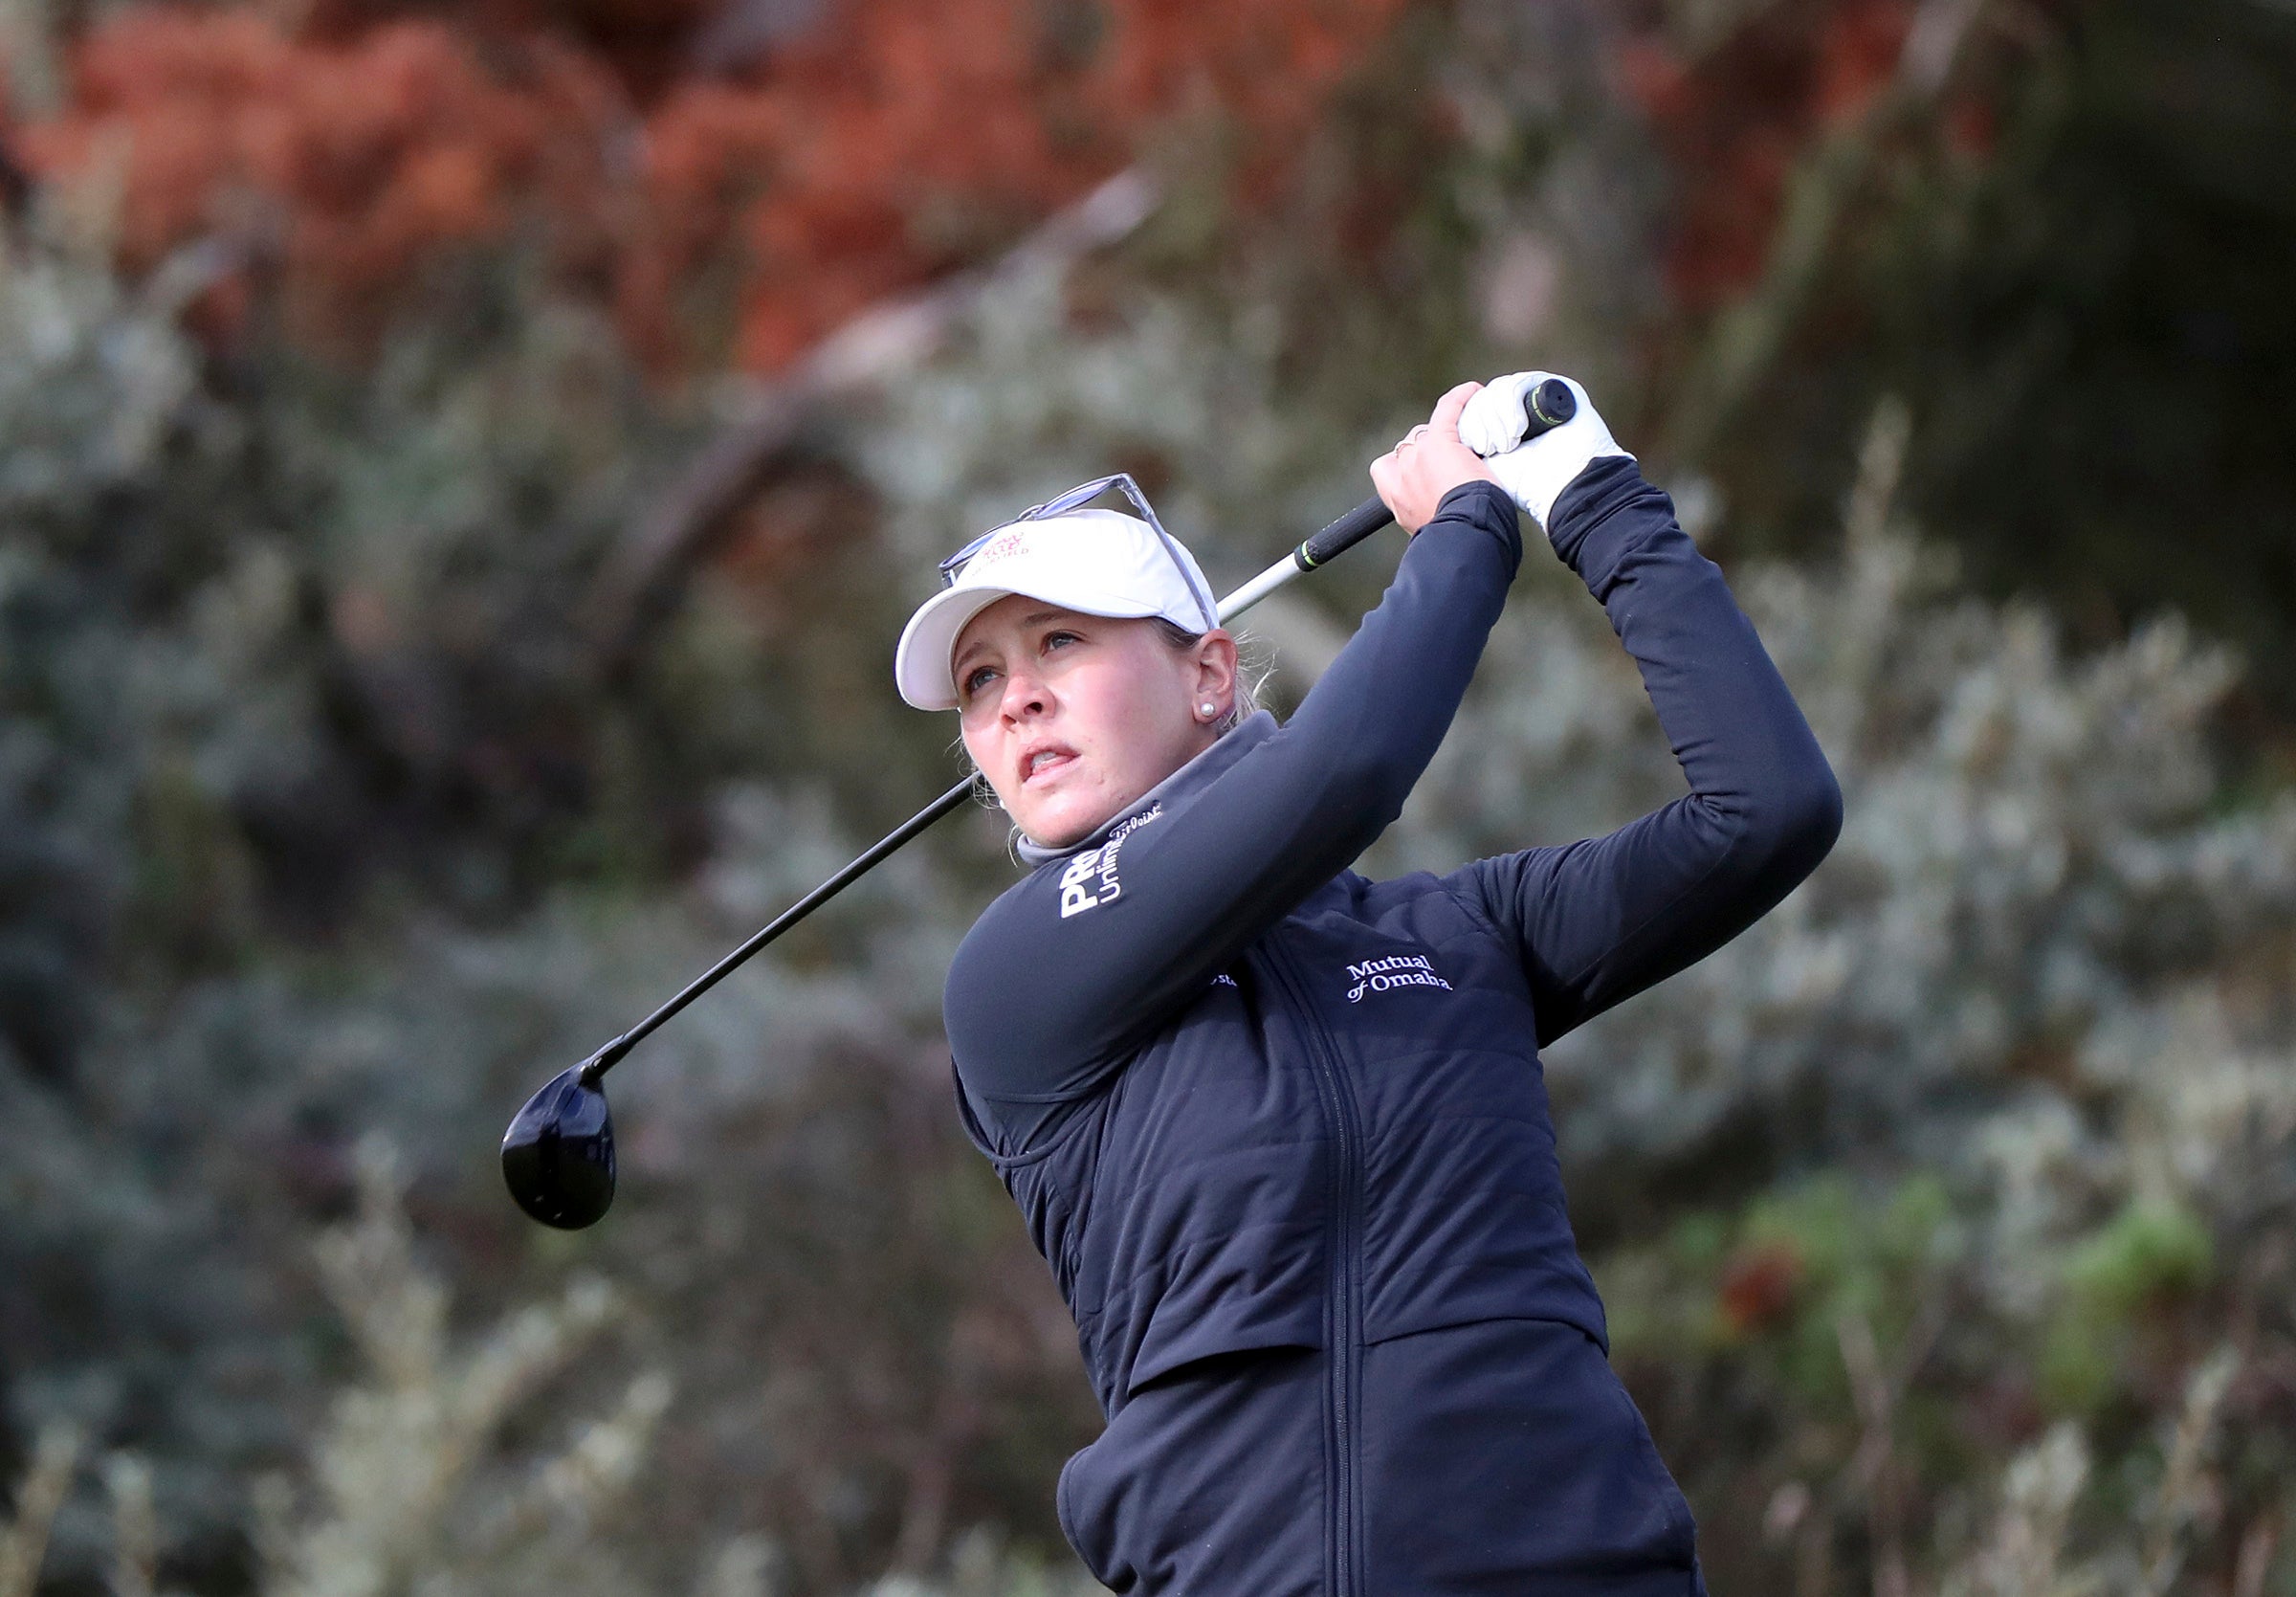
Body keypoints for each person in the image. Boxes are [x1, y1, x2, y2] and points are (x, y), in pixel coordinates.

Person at [892, 375, 1842, 1595]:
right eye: (980, 680)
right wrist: (1465, 531)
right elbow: (1343, 776)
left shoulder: (1461, 934)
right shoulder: (1017, 978)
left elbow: (1766, 812)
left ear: (1208, 677)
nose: (1015, 693)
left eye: (1060, 641)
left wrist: (1598, 499)